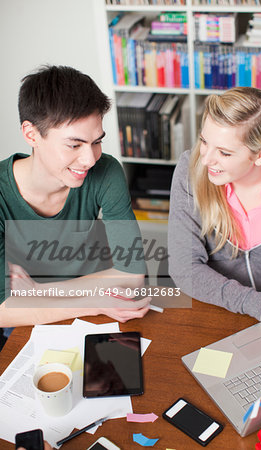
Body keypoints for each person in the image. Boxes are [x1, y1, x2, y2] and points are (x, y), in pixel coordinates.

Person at [0, 65, 150, 329]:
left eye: (96, 142)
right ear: (31, 134)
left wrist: (37, 291)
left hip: (93, 303)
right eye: (74, 145)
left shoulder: (106, 170)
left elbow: (132, 274)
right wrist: (93, 301)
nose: (90, 159)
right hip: (43, 315)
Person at [168, 87, 261, 340]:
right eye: (204, 141)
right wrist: (257, 305)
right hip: (216, 306)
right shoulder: (191, 169)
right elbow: (184, 267)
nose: (206, 160)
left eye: (224, 152)